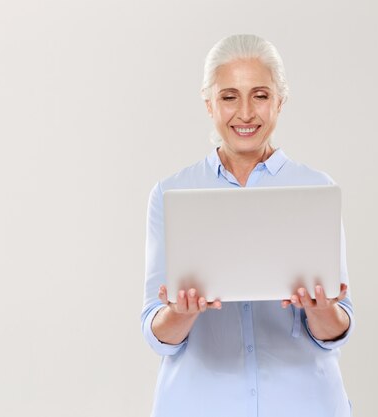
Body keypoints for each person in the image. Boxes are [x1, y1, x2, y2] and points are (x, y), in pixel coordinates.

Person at [141, 34, 355, 417]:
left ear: (280, 100)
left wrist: (321, 309)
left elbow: (337, 329)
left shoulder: (315, 190)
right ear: (209, 103)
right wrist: (184, 311)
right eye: (228, 97)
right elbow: (157, 334)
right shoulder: (171, 193)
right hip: (200, 405)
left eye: (259, 95)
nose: (245, 113)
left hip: (304, 403)